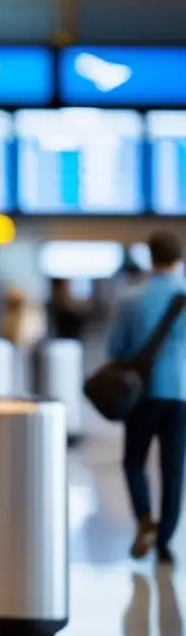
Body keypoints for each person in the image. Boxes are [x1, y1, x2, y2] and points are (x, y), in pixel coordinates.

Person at [109, 230, 186, 564]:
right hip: (180, 392)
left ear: (149, 257)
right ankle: (166, 540)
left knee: (133, 461)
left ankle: (145, 520)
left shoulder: (130, 297)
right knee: (173, 468)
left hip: (141, 393)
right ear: (178, 258)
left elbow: (115, 349)